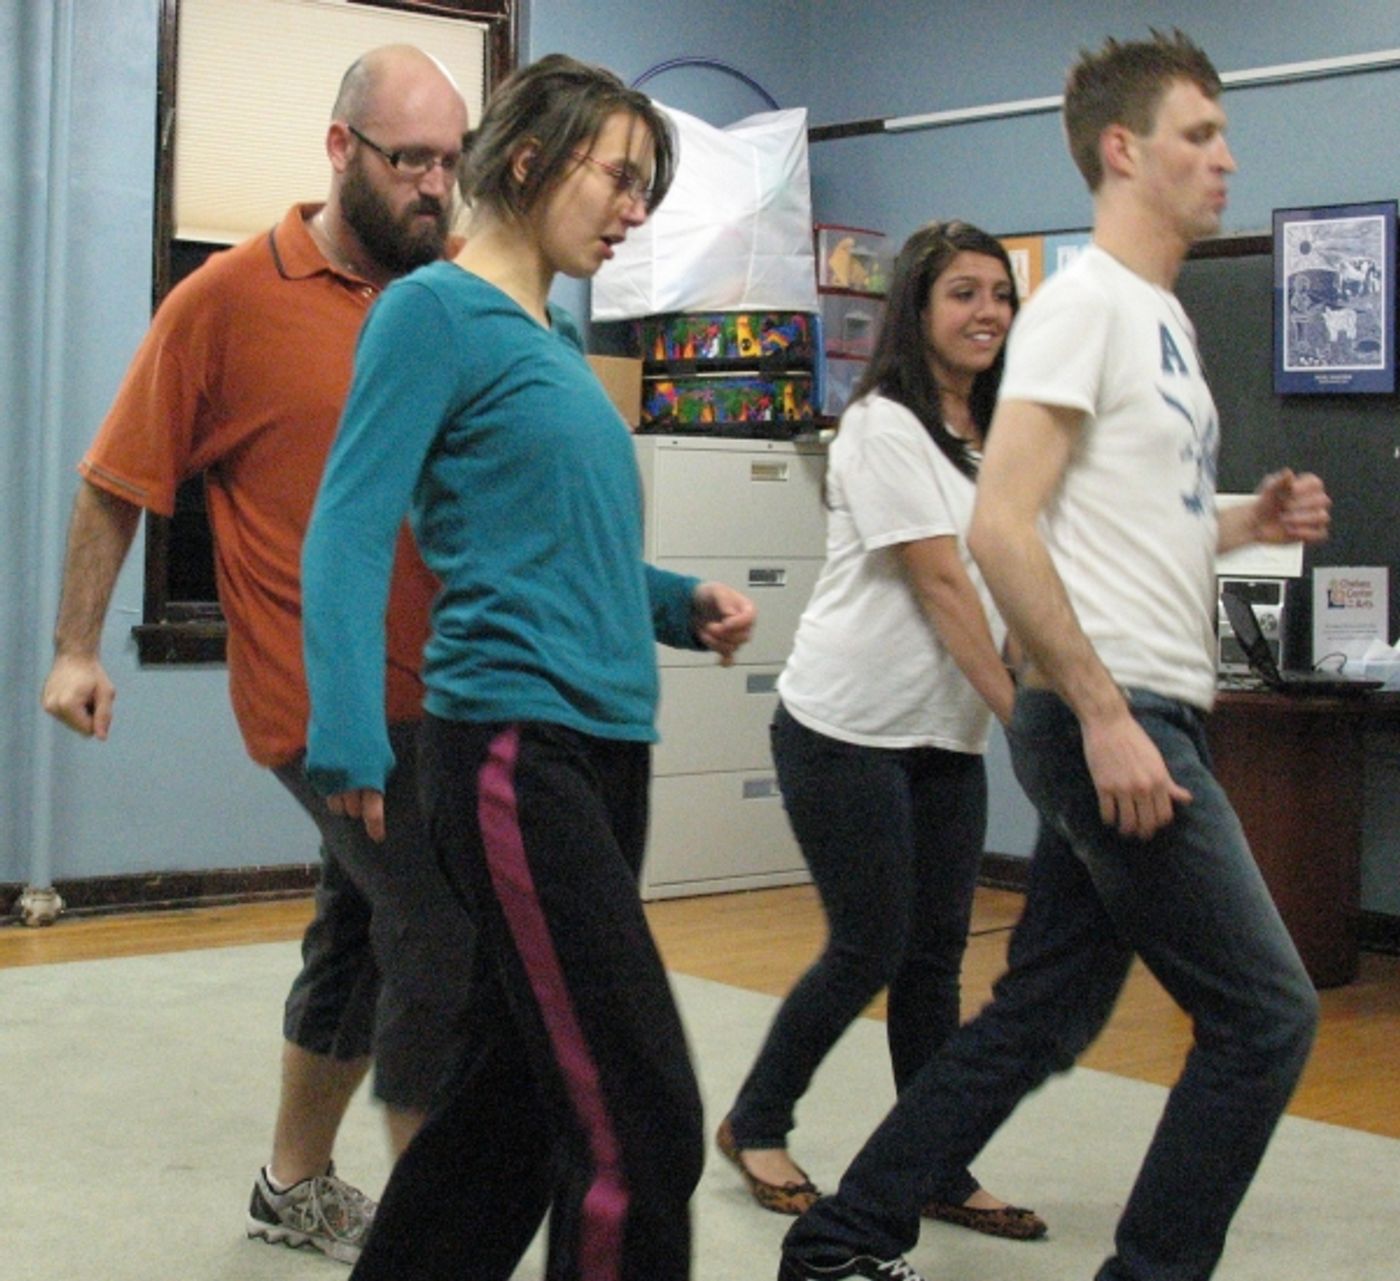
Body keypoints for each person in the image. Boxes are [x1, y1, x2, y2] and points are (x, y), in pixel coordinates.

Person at [779, 29, 1326, 1281]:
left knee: (1040, 1014)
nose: (1225, 160)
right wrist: (1099, 714)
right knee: (1265, 1015)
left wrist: (1250, 517)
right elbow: (999, 525)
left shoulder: (1160, 322)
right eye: (1199, 135)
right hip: (1116, 713)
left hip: (1139, 704)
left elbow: (1126, 520)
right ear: (1122, 150)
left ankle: (841, 1243)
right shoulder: (1082, 304)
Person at [299, 53, 757, 1281]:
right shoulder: (431, 311)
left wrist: (673, 604)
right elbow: (349, 524)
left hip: (604, 751)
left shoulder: (548, 338)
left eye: (643, 186)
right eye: (618, 176)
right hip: (512, 752)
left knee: (510, 1111)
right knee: (639, 1120)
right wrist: (345, 728)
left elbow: (548, 543)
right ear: (526, 160)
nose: (633, 208)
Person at [40, 45, 474, 1265]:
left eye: (453, 162)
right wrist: (78, 645)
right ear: (340, 151)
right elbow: (117, 480)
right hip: (321, 704)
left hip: (445, 688)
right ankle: (446, 1231)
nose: (437, 188)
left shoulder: (441, 298)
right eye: (412, 162)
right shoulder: (225, 300)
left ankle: (292, 1184)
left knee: (359, 925)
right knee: (442, 935)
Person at [715, 221, 1044, 1243]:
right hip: (842, 728)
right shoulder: (881, 426)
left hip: (938, 736)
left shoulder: (1005, 437)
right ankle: (754, 1123)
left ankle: (932, 1161)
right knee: (870, 944)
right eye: (961, 293)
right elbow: (942, 582)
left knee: (934, 958)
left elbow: (1021, 576)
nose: (985, 310)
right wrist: (1022, 719)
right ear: (916, 308)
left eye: (998, 293)